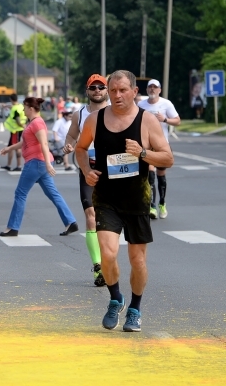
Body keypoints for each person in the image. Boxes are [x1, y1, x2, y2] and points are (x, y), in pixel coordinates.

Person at [75, 70, 174, 333]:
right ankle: (116, 298)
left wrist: (142, 153)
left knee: (137, 260)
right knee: (108, 255)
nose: (117, 95)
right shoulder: (95, 120)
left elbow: (168, 158)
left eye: (122, 90)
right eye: (113, 90)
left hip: (137, 199)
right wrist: (86, 170)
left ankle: (135, 309)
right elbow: (80, 149)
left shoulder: (147, 121)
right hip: (106, 197)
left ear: (134, 92)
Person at [0, 97, 78, 237]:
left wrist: (47, 163)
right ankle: (70, 222)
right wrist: (9, 148)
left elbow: (44, 144)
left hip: (36, 162)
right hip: (40, 163)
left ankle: (13, 227)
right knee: (53, 194)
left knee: (20, 193)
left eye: (24, 107)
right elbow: (25, 142)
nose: (23, 110)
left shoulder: (37, 123)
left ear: (31, 108)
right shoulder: (33, 123)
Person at [63, 74, 110, 286]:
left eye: (101, 87)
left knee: (111, 217)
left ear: (107, 90)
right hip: (88, 168)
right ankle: (98, 267)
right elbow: (72, 136)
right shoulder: (79, 114)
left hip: (112, 169)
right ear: (87, 91)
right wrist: (69, 145)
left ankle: (109, 260)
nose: (97, 90)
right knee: (91, 215)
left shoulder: (116, 111)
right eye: (93, 87)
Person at [137, 79, 180, 220]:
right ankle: (152, 206)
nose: (152, 89)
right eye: (150, 87)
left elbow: (177, 120)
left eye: (155, 87)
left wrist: (165, 119)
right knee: (150, 174)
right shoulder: (141, 105)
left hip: (162, 145)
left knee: (161, 174)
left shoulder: (166, 104)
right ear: (147, 89)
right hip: (147, 146)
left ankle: (162, 202)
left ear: (159, 90)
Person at [1, 94, 26, 171]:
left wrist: (24, 126)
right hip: (15, 131)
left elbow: (18, 120)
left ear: (11, 99)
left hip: (16, 130)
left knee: (17, 148)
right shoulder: (20, 106)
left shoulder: (15, 109)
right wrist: (6, 106)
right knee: (10, 147)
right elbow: (12, 106)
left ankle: (19, 165)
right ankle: (8, 165)